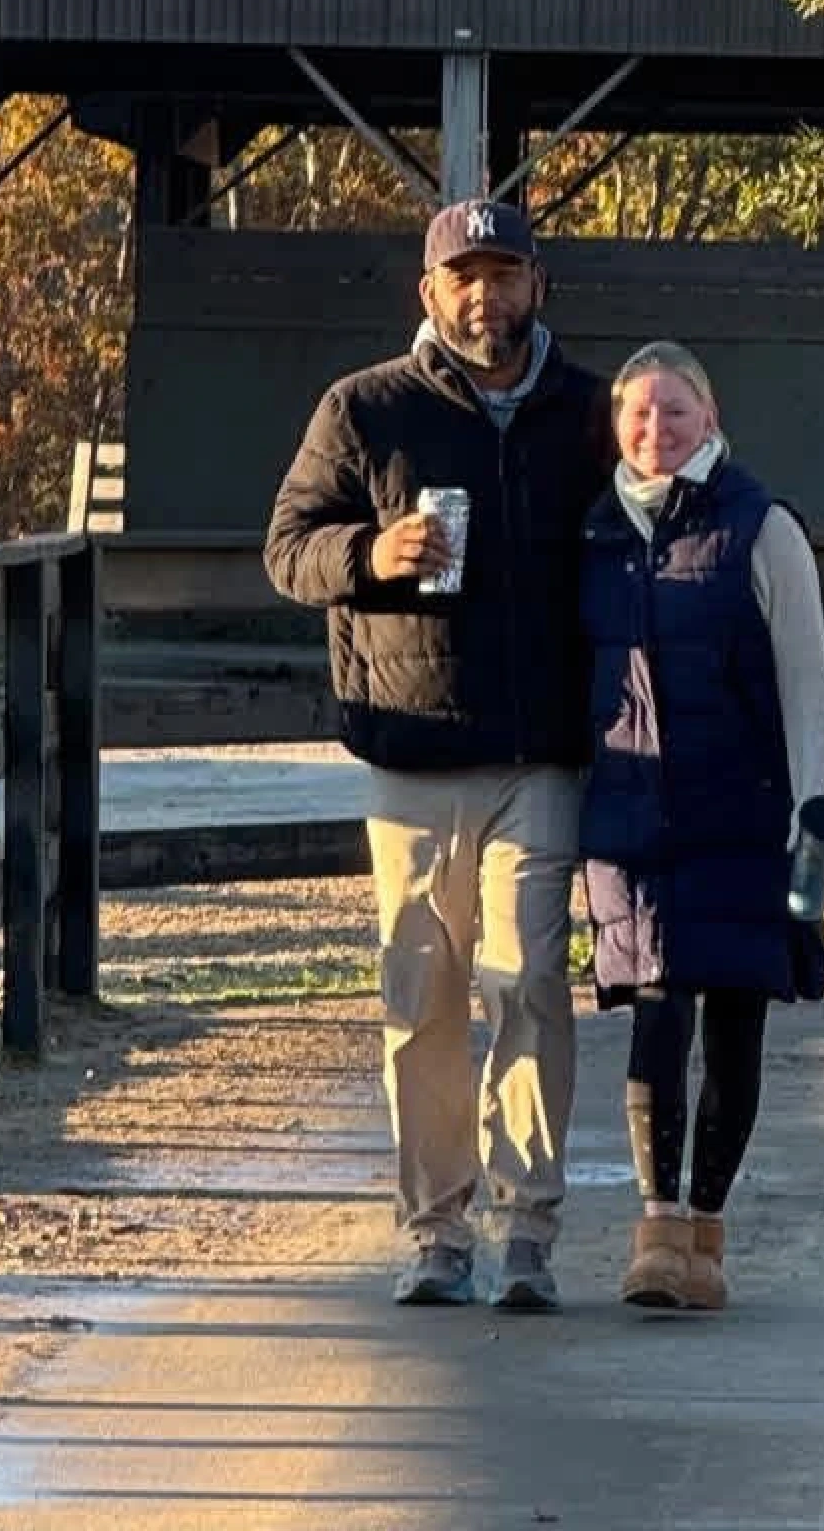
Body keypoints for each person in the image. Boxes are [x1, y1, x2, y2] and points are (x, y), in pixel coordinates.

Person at [264, 197, 610, 1312]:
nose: (484, 294)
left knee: (530, 987)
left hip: (540, 757)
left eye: (503, 273)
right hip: (410, 759)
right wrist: (372, 551)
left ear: (536, 285)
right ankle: (436, 1233)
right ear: (429, 293)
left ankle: (529, 1234)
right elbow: (286, 549)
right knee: (422, 998)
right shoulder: (365, 408)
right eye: (463, 275)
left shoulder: (586, 411)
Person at [578, 339, 824, 1311]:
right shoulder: (600, 533)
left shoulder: (762, 530)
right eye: (639, 414)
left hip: (744, 811)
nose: (657, 431)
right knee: (653, 1011)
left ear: (711, 418)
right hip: (634, 815)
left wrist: (816, 815)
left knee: (733, 1019)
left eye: (675, 412)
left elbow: (809, 686)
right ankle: (658, 1232)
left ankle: (707, 1234)